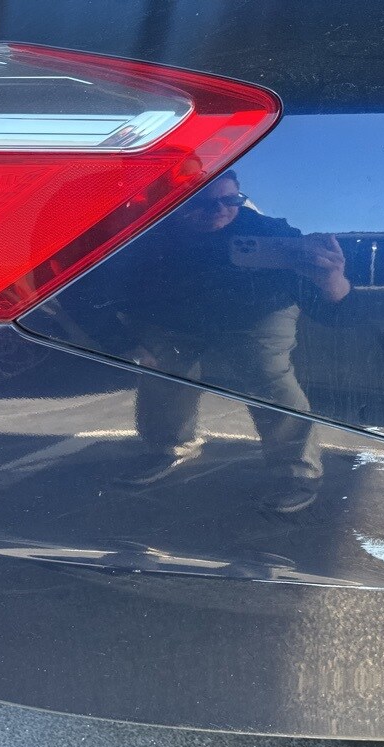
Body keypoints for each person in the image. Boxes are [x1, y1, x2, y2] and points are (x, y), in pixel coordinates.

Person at [118, 170, 350, 514]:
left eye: (230, 200)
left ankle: (296, 471)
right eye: (201, 202)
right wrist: (122, 340)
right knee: (163, 372)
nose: (219, 210)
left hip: (258, 312)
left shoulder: (270, 234)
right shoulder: (149, 236)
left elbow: (334, 312)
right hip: (177, 317)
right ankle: (167, 448)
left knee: (267, 376)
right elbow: (109, 291)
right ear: (173, 203)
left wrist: (332, 279)